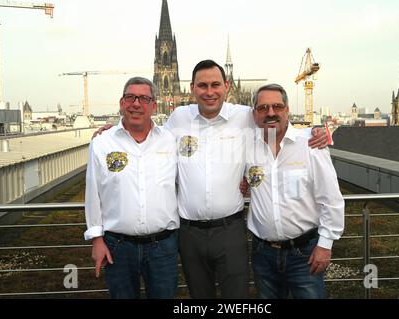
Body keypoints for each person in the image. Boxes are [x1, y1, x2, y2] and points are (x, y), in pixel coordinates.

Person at [94, 60, 329, 299]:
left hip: (231, 229)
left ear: (226, 86)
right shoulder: (177, 118)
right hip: (189, 233)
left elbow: (274, 124)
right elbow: (148, 131)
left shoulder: (245, 116)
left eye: (215, 84)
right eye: (202, 85)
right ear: (192, 88)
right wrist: (114, 129)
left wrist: (314, 133)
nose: (209, 91)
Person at [245, 83, 344, 299]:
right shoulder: (248, 148)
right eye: (263, 108)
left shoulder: (310, 143)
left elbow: (332, 199)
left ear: (287, 110)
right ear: (254, 115)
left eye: (277, 107)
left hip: (304, 253)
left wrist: (325, 245)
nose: (270, 113)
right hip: (263, 253)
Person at [84, 77, 179, 299]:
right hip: (118, 246)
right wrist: (97, 240)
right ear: (121, 103)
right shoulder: (102, 142)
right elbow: (93, 194)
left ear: (153, 106)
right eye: (130, 97)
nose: (136, 104)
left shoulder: (170, 140)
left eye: (144, 98)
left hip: (163, 246)